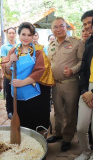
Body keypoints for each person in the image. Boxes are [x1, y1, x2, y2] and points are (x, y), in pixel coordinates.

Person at [4, 22, 54, 134]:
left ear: (33, 36)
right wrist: (10, 62)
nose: (26, 38)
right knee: (23, 124)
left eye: (29, 35)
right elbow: (7, 72)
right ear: (19, 35)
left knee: (36, 124)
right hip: (18, 96)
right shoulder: (13, 50)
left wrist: (22, 83)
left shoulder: (38, 51)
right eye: (23, 34)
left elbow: (40, 71)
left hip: (35, 96)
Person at [47, 17, 84, 152]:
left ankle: (67, 138)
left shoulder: (76, 43)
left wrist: (72, 70)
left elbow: (82, 61)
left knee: (70, 112)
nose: (58, 29)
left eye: (61, 26)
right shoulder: (51, 45)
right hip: (55, 85)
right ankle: (58, 134)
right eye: (55, 27)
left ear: (66, 27)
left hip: (71, 84)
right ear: (52, 30)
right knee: (57, 111)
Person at [74, 12, 93, 160]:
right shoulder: (89, 42)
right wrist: (84, 90)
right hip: (87, 89)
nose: (87, 27)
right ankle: (86, 152)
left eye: (89, 23)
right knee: (81, 127)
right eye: (84, 24)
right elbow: (84, 68)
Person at [0, 27, 17, 119]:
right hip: (8, 73)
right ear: (7, 35)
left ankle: (17, 110)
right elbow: (3, 61)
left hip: (18, 73)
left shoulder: (19, 45)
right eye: (9, 33)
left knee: (17, 92)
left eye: (13, 33)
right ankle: (9, 111)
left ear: (15, 34)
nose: (11, 35)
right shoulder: (4, 47)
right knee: (9, 93)